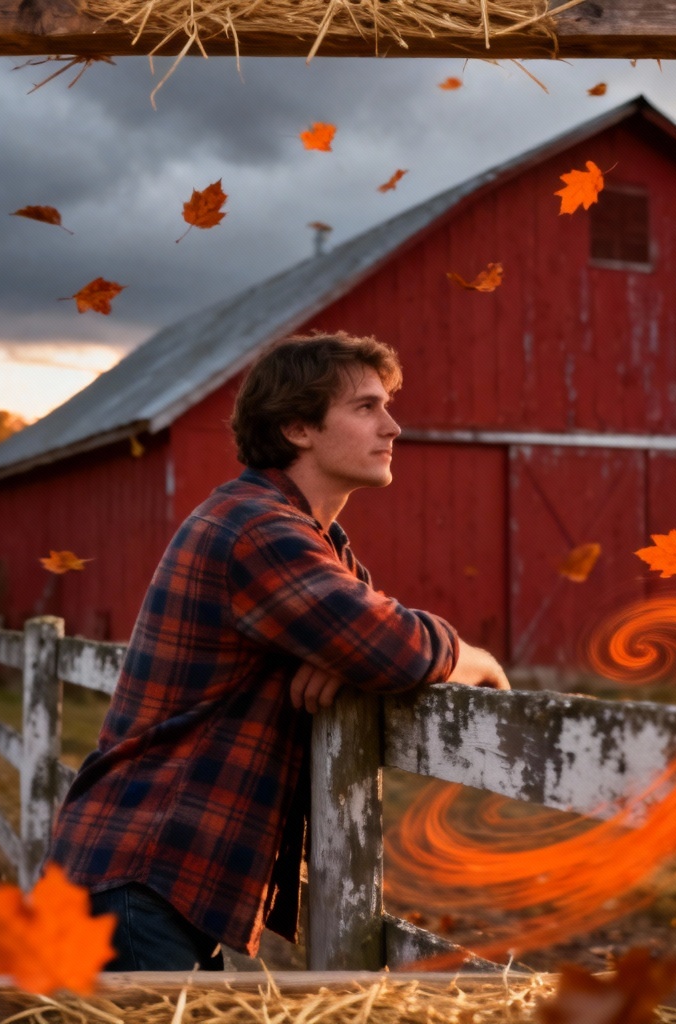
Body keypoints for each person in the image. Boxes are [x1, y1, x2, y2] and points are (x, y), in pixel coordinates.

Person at [46, 332, 509, 972]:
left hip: (153, 877)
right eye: (367, 408)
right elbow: (392, 647)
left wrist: (344, 658)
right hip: (142, 873)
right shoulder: (258, 530)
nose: (393, 427)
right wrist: (475, 656)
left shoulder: (313, 539)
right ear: (298, 427)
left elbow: (367, 636)